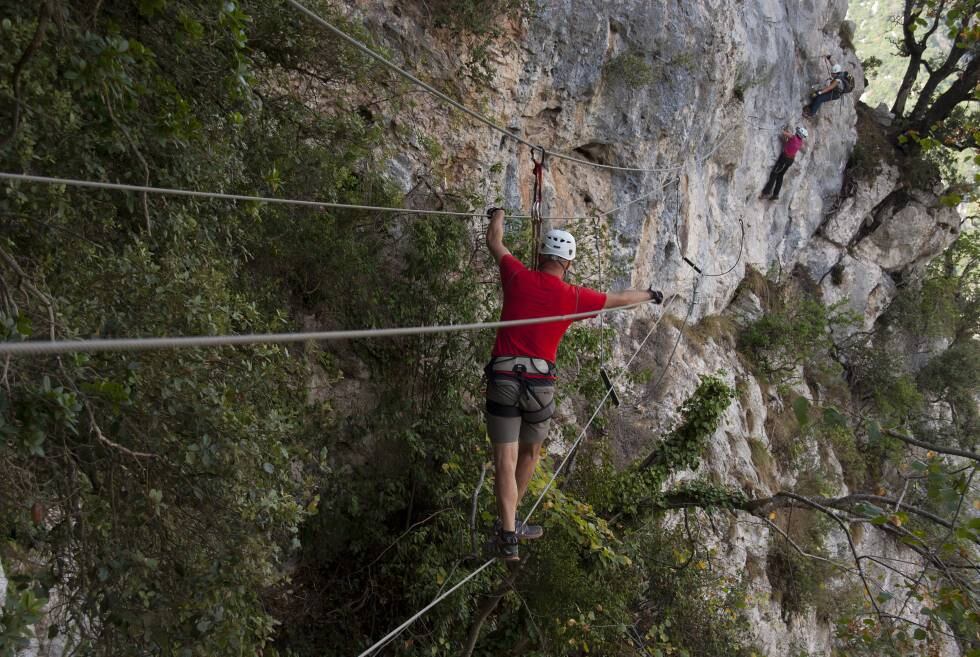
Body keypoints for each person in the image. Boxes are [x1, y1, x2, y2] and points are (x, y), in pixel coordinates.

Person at [484, 207, 663, 561]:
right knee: (530, 453)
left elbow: (495, 240)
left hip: (504, 378)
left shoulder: (517, 275)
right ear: (568, 264)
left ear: (541, 256)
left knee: (504, 458)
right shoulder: (573, 296)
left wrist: (499, 213)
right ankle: (512, 522)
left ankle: (508, 534)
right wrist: (651, 294)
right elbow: (622, 300)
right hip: (540, 386)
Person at [759, 125, 807, 201]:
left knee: (774, 174)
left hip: (784, 159)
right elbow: (788, 144)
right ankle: (775, 195)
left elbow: (783, 133)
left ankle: (766, 192)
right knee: (780, 176)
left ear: (798, 133)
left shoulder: (793, 137)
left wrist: (783, 130)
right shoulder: (800, 142)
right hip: (790, 160)